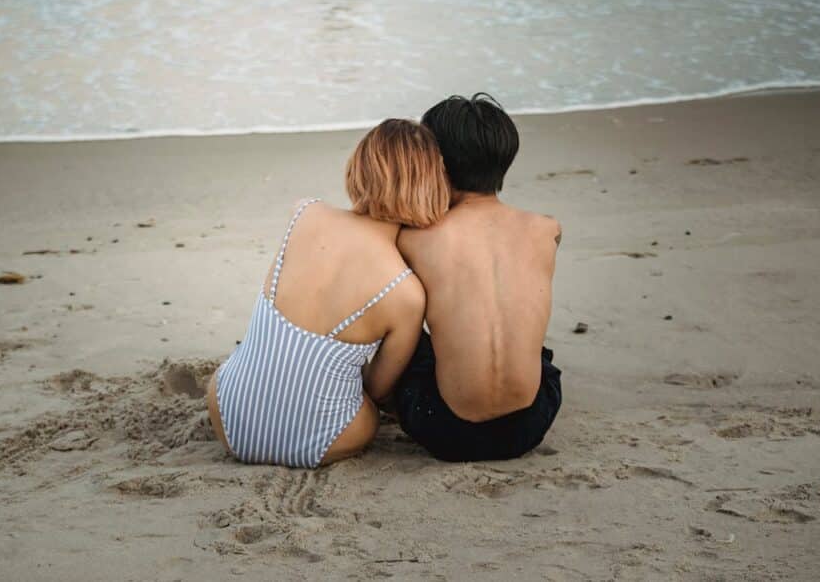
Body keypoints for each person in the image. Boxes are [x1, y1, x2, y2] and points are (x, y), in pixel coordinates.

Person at [206, 119, 450, 468]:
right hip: (323, 440)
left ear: (359, 167)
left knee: (231, 368)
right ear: (431, 187)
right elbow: (379, 389)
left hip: (230, 422)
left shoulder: (304, 213)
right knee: (366, 410)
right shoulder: (405, 293)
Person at [393, 94, 563, 462]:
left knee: (400, 332)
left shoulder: (415, 239)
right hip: (530, 424)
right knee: (536, 349)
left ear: (434, 163)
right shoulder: (547, 230)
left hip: (444, 429)